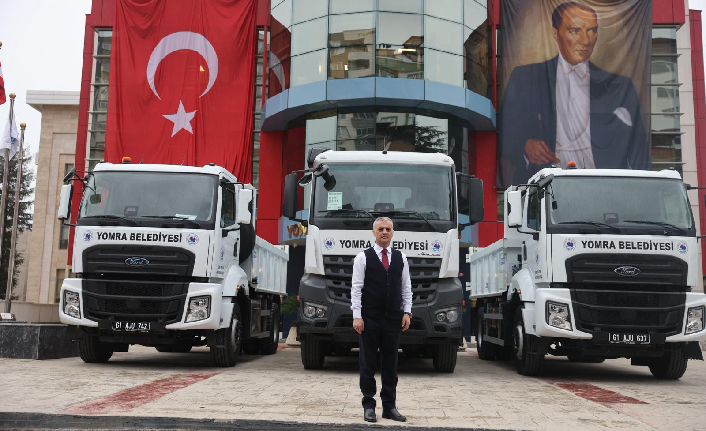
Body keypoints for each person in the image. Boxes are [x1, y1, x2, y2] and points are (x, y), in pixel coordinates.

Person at [500, 1, 649, 185]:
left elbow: (639, 150)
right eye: (575, 31)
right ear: (555, 33)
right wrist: (525, 146)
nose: (586, 41)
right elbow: (505, 132)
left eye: (592, 30)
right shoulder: (525, 79)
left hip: (603, 187)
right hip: (544, 187)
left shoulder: (620, 87)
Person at [351, 217, 412, 423]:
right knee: (367, 363)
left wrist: (407, 312)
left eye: (388, 229)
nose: (384, 232)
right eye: (380, 229)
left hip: (393, 319)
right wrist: (357, 316)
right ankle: (369, 405)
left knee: (390, 364)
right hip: (369, 319)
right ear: (374, 233)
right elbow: (356, 288)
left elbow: (406, 287)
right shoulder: (363, 257)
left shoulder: (401, 258)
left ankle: (389, 407)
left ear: (392, 232)